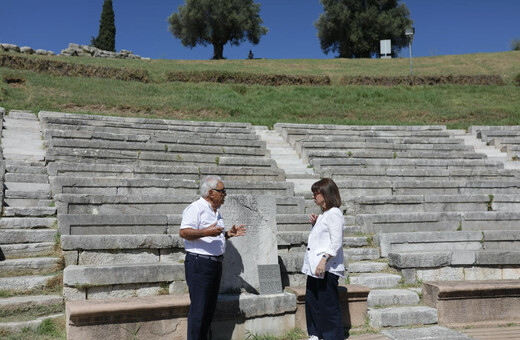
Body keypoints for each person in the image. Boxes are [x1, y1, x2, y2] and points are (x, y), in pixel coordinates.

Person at [180, 175, 246, 340]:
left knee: (209, 310)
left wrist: (228, 234)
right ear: (211, 193)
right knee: (199, 310)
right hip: (199, 264)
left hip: (214, 264)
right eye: (222, 191)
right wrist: (206, 232)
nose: (225, 194)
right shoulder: (196, 208)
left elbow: (213, 237)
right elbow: (184, 232)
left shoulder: (215, 212)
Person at [302, 178, 345, 340]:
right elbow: (321, 239)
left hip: (326, 268)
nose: (314, 197)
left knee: (328, 306)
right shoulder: (324, 215)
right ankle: (315, 334)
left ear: (326, 194)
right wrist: (315, 224)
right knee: (313, 302)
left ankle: (331, 337)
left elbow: (336, 242)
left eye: (316, 193)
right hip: (315, 268)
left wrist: (324, 260)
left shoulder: (334, 214)